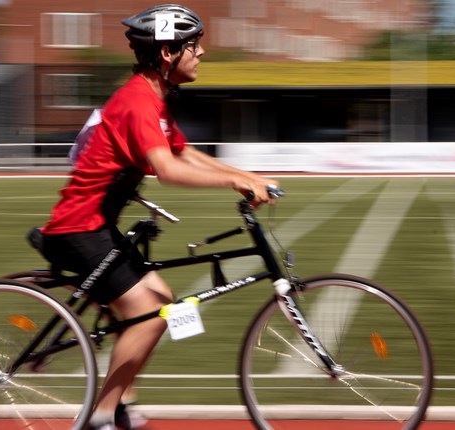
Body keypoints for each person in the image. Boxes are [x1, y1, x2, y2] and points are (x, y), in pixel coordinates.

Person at [38, 4, 278, 430]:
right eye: (194, 46)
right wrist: (233, 184)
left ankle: (123, 398)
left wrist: (245, 175)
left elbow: (183, 151)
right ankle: (102, 416)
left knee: (166, 305)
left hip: (97, 226)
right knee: (148, 316)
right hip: (78, 228)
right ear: (168, 53)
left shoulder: (154, 97)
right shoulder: (137, 101)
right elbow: (167, 169)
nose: (201, 53)